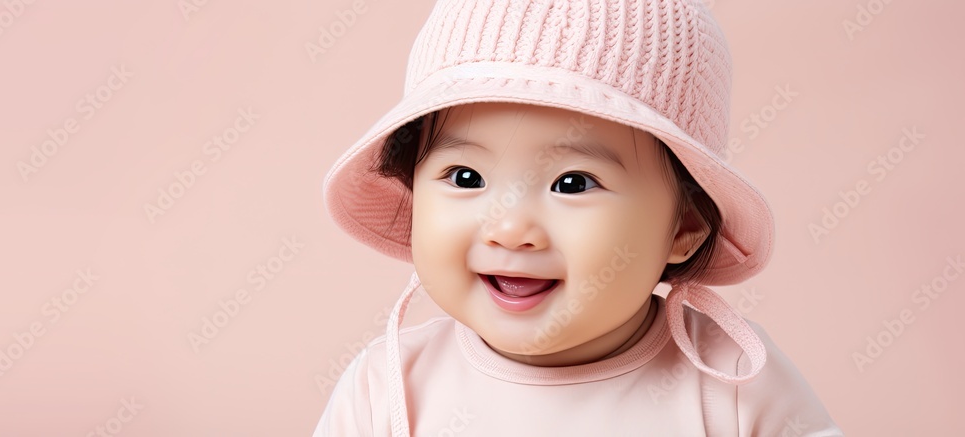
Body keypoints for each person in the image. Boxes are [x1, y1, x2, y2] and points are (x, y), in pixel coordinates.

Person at [316, 0, 843, 435]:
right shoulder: (387, 390)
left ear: (685, 226)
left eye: (572, 184)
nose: (508, 228)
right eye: (466, 177)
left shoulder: (731, 381)